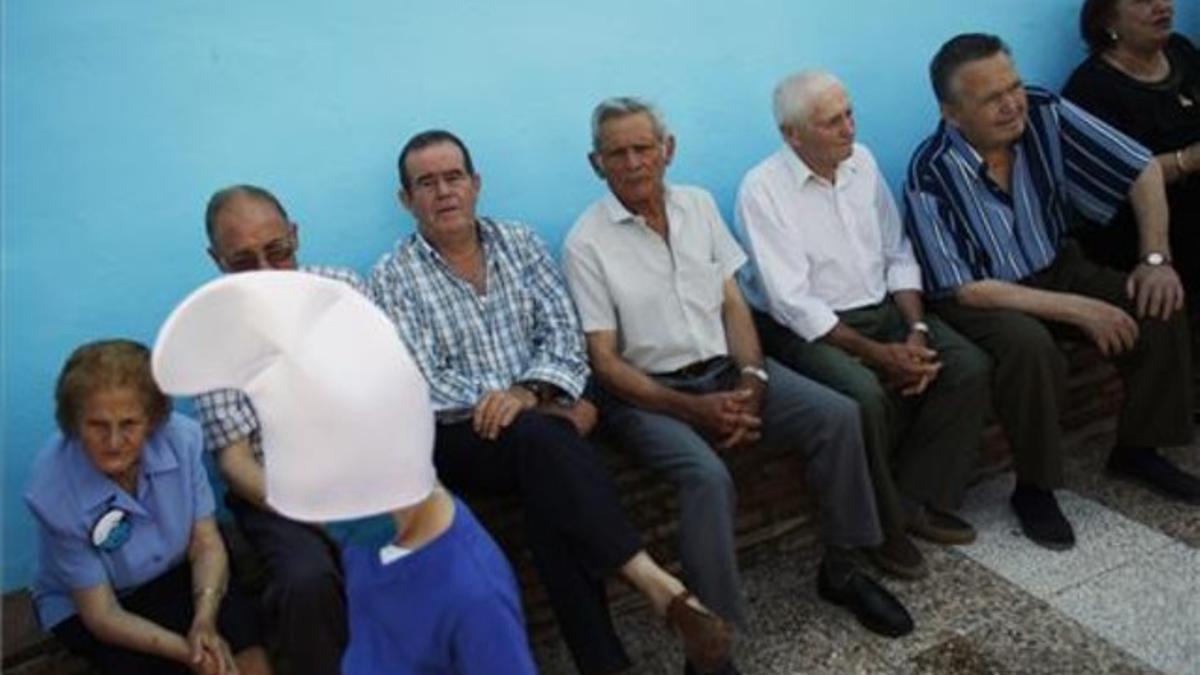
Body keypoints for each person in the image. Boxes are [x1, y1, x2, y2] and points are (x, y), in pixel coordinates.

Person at [562, 97, 914, 662]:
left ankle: (844, 569)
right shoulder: (586, 242)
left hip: (728, 371)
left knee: (838, 415)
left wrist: (751, 379)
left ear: (667, 150)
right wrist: (693, 409)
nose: (632, 163)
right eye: (616, 153)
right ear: (595, 163)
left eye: (643, 148)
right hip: (648, 397)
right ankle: (712, 644)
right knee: (706, 477)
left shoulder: (698, 205)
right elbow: (604, 362)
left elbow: (733, 307)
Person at [370, 129, 733, 675]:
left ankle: (603, 663)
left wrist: (528, 393)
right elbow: (421, 381)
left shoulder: (520, 243)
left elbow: (563, 334)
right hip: (465, 436)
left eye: (453, 177)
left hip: (540, 419)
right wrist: (513, 403)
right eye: (426, 183)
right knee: (547, 442)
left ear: (475, 184)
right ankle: (657, 585)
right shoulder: (392, 277)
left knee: (549, 492)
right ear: (407, 199)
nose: (443, 192)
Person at [903, 33, 1200, 552]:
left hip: (1055, 264)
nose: (1012, 103)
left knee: (1159, 301)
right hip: (985, 295)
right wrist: (1080, 309)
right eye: (991, 98)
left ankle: (1138, 445)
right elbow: (966, 288)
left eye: (1013, 86)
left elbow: (1142, 168)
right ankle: (1036, 488)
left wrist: (1155, 259)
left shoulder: (1043, 110)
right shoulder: (930, 172)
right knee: (1031, 348)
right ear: (952, 114)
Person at [733, 70, 991, 577]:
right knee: (863, 395)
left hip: (884, 310)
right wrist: (878, 356)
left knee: (967, 365)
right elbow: (792, 303)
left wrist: (915, 330)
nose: (850, 128)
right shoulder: (762, 190)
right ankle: (882, 529)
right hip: (807, 329)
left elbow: (898, 253)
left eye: (849, 113)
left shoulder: (862, 162)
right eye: (833, 122)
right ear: (793, 134)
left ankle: (916, 497)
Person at [25, 339, 271, 675]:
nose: (113, 442)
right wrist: (190, 652)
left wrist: (205, 622)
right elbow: (102, 615)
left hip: (178, 573)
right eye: (97, 425)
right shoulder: (52, 488)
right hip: (102, 603)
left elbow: (206, 543)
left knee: (250, 663)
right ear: (74, 423)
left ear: (153, 420)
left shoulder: (181, 441)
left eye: (128, 424)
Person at [194, 185, 361, 675]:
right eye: (245, 263)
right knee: (305, 581)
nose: (267, 274)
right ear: (216, 261)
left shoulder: (343, 292)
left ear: (295, 236)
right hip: (275, 490)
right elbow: (235, 461)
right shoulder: (208, 337)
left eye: (278, 253)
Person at [1063, 0, 1200, 328]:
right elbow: (1122, 177)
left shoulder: (1181, 51)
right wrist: (1189, 159)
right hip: (1142, 231)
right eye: (1142, 1)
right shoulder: (1091, 89)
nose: (1162, 7)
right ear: (1107, 20)